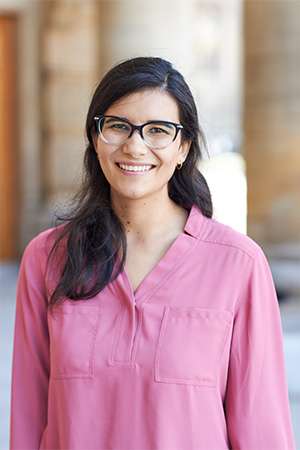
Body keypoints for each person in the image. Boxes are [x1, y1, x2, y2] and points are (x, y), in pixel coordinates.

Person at [9, 56, 296, 450]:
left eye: (158, 130)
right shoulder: (47, 257)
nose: (135, 145)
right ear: (95, 138)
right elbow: (27, 419)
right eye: (117, 126)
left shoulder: (238, 264)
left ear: (183, 148)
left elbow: (262, 430)